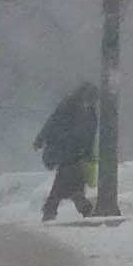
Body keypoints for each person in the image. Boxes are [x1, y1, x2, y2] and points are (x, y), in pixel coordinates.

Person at [36, 81, 100, 222]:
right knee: (70, 182)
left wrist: (88, 154)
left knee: (67, 183)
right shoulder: (70, 106)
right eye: (90, 98)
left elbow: (89, 136)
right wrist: (40, 139)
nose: (90, 102)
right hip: (66, 151)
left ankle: (53, 210)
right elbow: (53, 122)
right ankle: (81, 208)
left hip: (74, 153)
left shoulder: (89, 112)